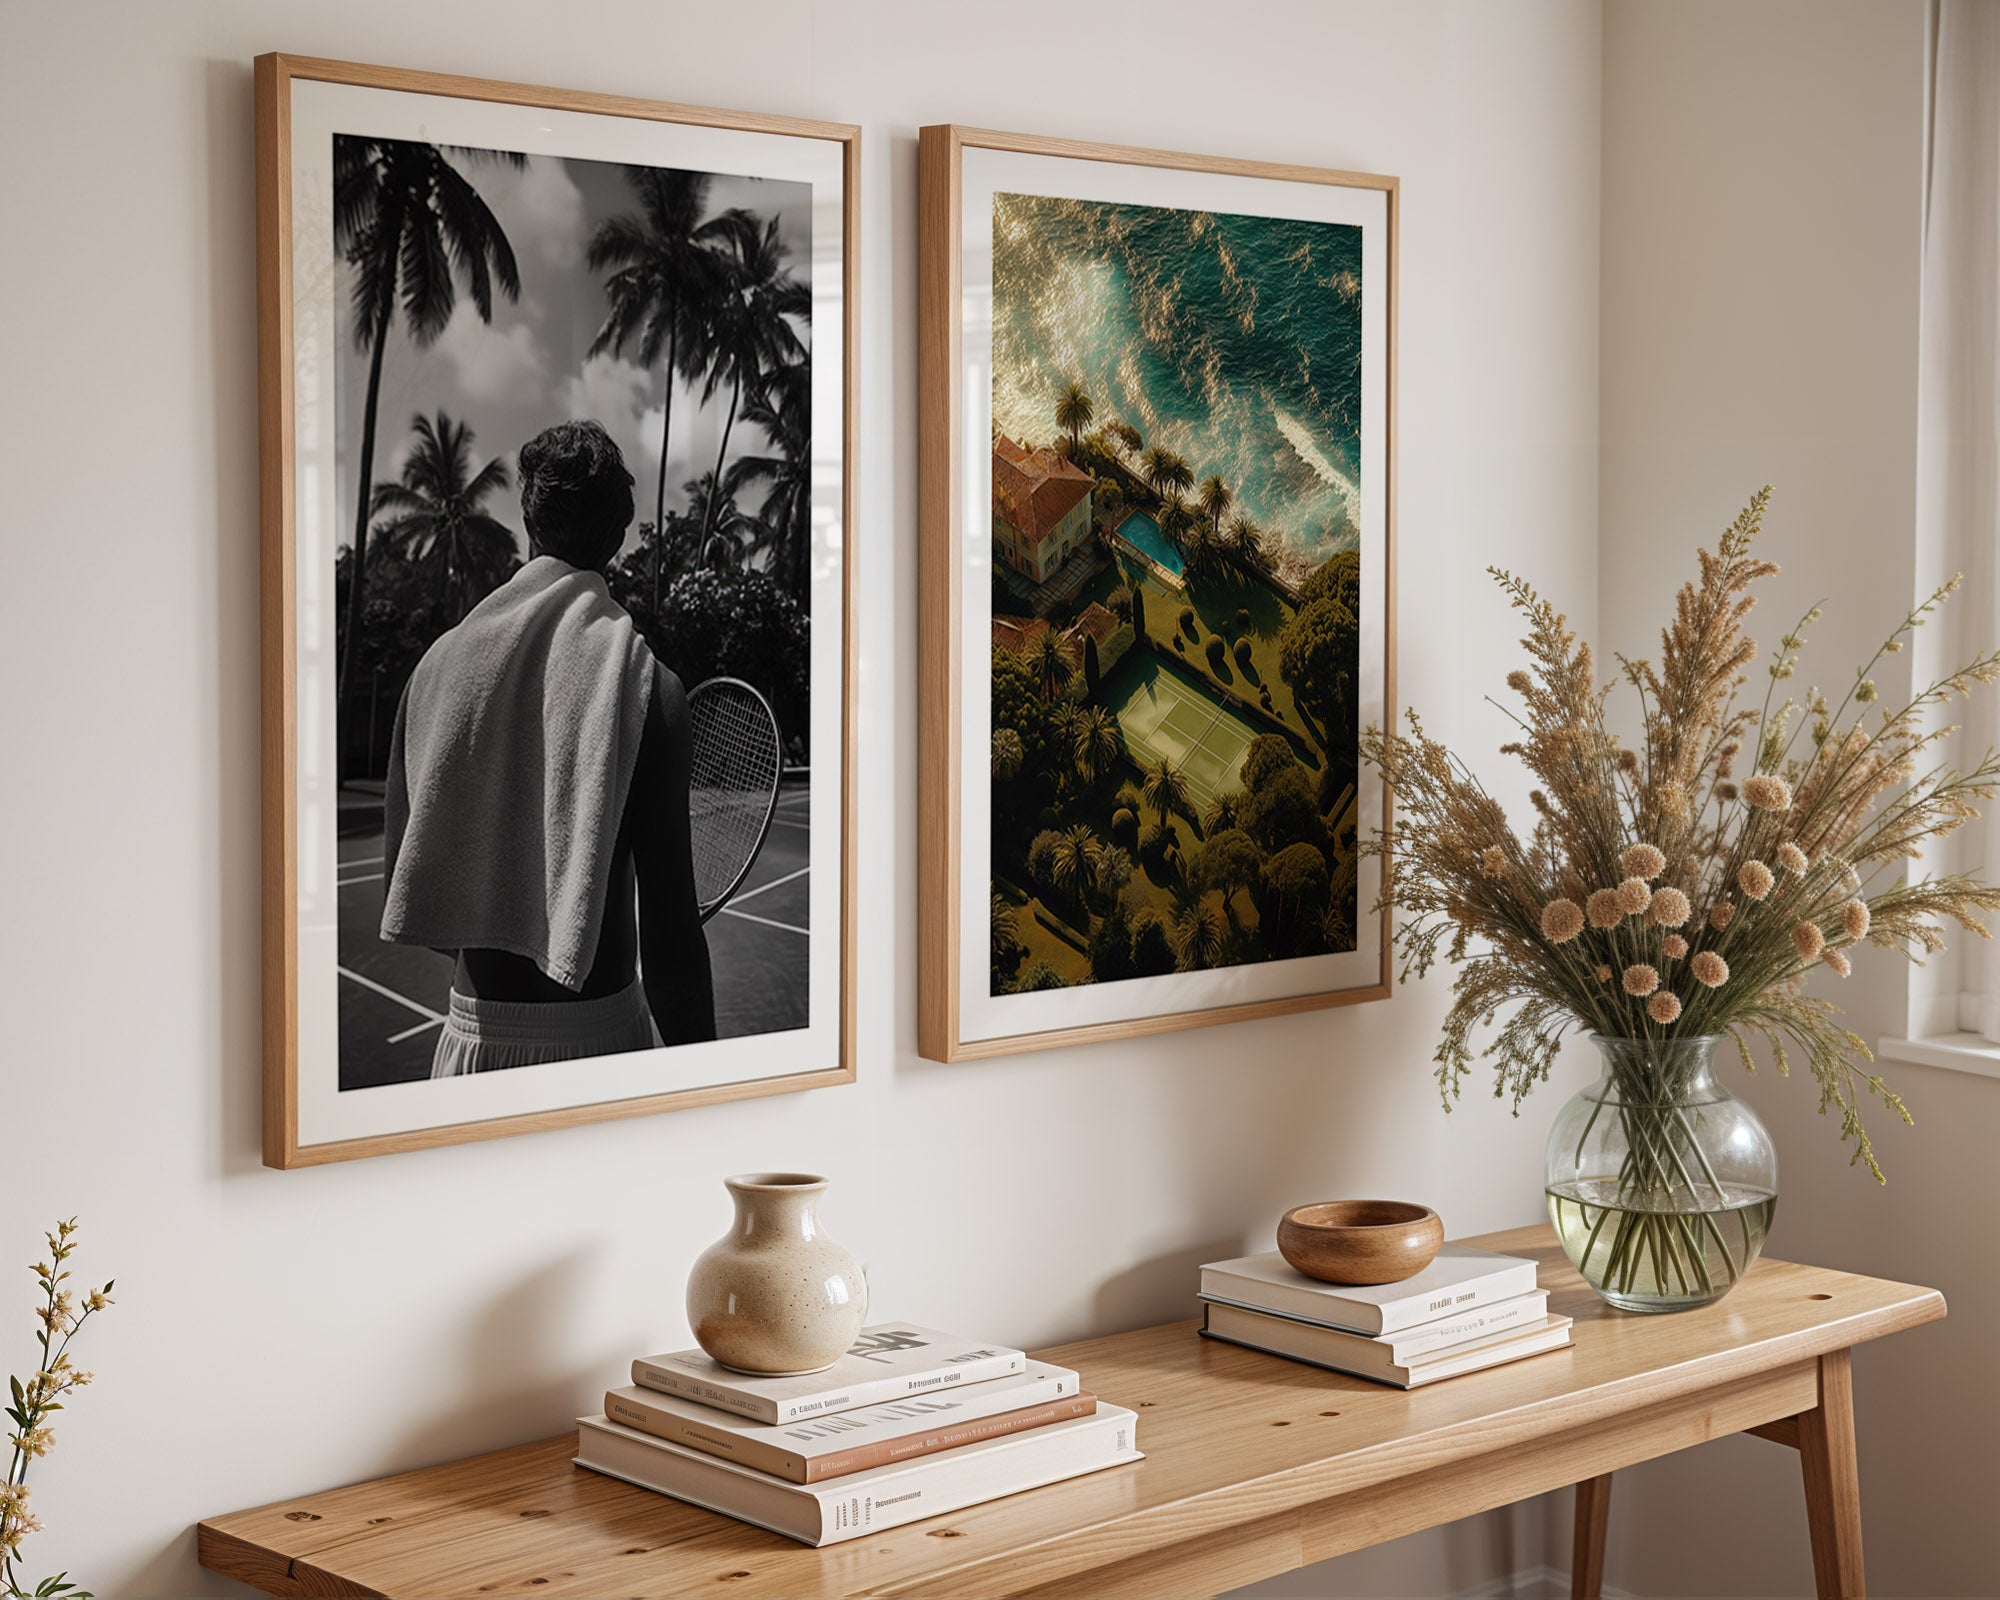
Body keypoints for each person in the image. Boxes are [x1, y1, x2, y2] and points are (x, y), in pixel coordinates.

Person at [380, 420, 715, 1074]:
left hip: (469, 1046)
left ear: (530, 518)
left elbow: (410, 876)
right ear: (620, 535)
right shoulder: (649, 687)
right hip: (601, 1042)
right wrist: (710, 1091)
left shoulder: (433, 672)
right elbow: (672, 943)